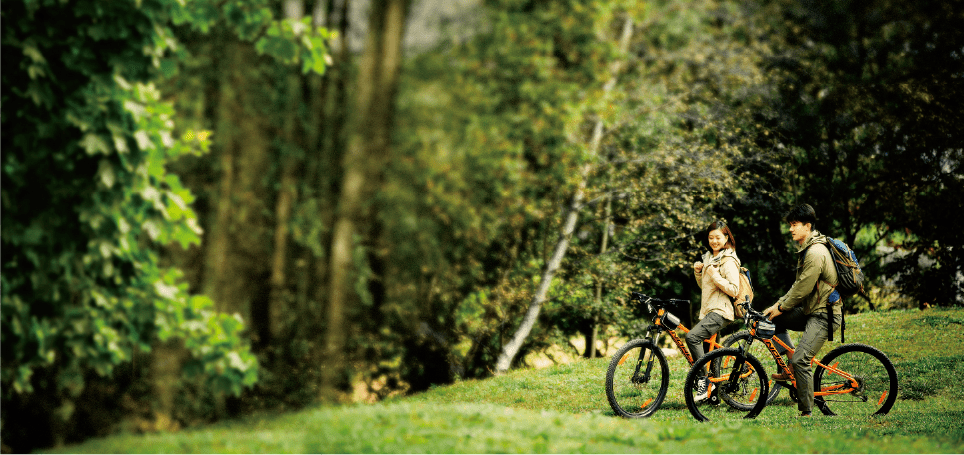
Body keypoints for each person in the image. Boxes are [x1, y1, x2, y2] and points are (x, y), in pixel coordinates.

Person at [762, 203, 841, 417]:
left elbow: (804, 288)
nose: (790, 229)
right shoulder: (807, 249)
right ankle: (788, 369)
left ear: (807, 226)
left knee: (801, 359)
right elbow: (797, 286)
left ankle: (806, 411)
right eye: (790, 225)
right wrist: (776, 307)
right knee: (773, 320)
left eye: (794, 224)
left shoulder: (815, 252)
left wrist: (782, 306)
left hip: (824, 315)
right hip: (811, 312)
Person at [688, 220, 742, 400]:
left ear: (726, 237)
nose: (714, 241)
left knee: (692, 337)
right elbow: (705, 288)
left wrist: (714, 274)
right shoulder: (709, 257)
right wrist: (699, 273)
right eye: (711, 237)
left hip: (721, 311)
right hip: (708, 311)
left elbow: (734, 289)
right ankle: (714, 397)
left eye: (718, 237)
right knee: (711, 355)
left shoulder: (729, 260)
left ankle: (704, 382)